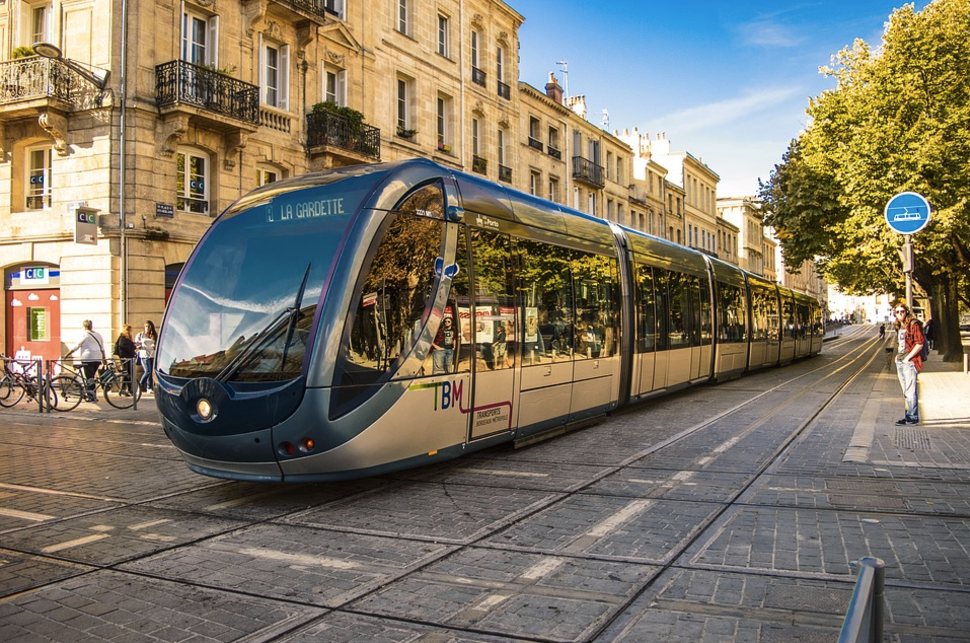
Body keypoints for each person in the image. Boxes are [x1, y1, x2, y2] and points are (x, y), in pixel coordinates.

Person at [893, 303, 925, 426]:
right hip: (900, 361)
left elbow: (920, 343)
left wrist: (908, 358)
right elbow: (901, 344)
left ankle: (912, 417)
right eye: (897, 312)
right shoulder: (899, 326)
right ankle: (908, 416)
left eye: (902, 311)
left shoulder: (913, 324)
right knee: (906, 391)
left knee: (911, 391)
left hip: (910, 362)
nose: (900, 313)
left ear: (906, 312)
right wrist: (898, 357)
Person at [64, 320, 106, 402]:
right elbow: (102, 348)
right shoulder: (98, 335)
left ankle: (92, 396)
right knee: (91, 377)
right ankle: (91, 394)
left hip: (88, 358)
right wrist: (104, 358)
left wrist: (67, 354)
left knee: (89, 378)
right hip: (97, 358)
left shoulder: (84, 334)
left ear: (84, 326)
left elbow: (77, 345)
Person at [113, 324, 137, 396]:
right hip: (126, 358)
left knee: (129, 374)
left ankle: (129, 389)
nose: (130, 332)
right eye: (129, 330)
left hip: (128, 358)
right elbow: (124, 347)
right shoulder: (123, 338)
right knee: (126, 374)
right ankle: (124, 389)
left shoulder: (126, 338)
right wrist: (133, 347)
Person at [135, 320, 158, 393]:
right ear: (144, 327)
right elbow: (136, 344)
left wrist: (155, 346)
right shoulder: (140, 335)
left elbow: (157, 344)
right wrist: (139, 346)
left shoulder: (154, 335)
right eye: (146, 326)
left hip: (152, 355)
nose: (147, 328)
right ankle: (140, 386)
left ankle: (149, 387)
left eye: (149, 327)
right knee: (147, 371)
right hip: (144, 355)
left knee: (151, 372)